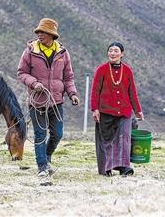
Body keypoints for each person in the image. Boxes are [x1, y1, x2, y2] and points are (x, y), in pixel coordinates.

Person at [17, 18, 79, 185]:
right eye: (38, 32)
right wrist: (34, 83)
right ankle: (42, 167)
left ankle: (47, 156)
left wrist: (72, 93)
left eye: (43, 32)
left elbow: (68, 77)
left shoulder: (63, 53)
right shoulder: (30, 52)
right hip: (37, 102)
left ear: (52, 35)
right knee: (40, 134)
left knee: (58, 134)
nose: (39, 35)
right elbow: (21, 73)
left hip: (57, 102)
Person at [90, 42, 144, 177]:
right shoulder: (101, 70)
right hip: (105, 111)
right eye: (110, 51)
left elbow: (132, 92)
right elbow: (95, 91)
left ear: (122, 54)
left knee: (124, 138)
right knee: (106, 141)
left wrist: (138, 110)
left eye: (116, 51)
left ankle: (124, 168)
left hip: (124, 111)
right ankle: (107, 168)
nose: (112, 53)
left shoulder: (127, 70)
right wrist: (94, 109)